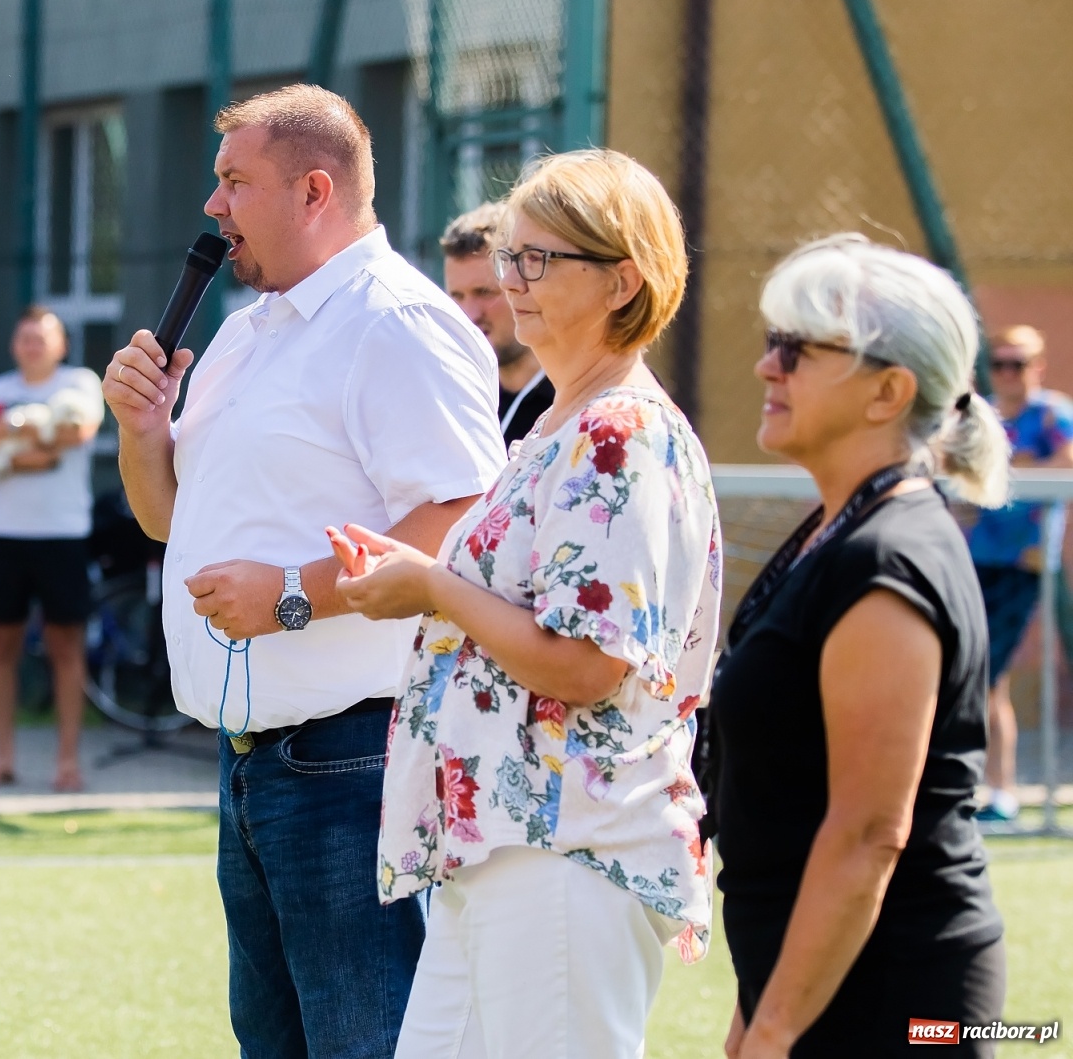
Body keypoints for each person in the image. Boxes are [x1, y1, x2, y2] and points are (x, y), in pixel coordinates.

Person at [103, 84, 506, 1057]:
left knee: (366, 1041)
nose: (213, 207)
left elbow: (462, 517)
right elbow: (168, 518)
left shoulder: (396, 320)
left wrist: (291, 593)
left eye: (233, 181)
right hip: (254, 762)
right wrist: (141, 430)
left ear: (313, 190)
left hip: (354, 757)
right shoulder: (250, 331)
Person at [339, 150, 720, 1059]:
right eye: (511, 255)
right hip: (507, 841)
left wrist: (431, 585)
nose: (511, 281)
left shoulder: (618, 430)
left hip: (568, 844)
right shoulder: (558, 420)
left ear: (623, 279)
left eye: (539, 259)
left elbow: (588, 666)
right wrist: (424, 579)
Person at [707, 235, 1010, 1057]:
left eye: (798, 350)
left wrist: (773, 1028)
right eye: (773, 343)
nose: (769, 367)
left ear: (888, 392)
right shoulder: (838, 528)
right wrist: (758, 1012)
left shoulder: (888, 557)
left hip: (898, 1000)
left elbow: (870, 829)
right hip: (825, 982)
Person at [0, 305, 105, 792]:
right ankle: (2, 760)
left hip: (63, 535)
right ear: (13, 344)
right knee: (0, 648)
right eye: (25, 337)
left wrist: (6, 440)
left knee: (66, 648)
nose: (32, 345)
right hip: (3, 535)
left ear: (61, 345)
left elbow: (76, 433)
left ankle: (67, 763)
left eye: (42, 337)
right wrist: (33, 446)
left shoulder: (79, 384)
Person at [965, 324, 1073, 823]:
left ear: (1038, 366)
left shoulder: (1052, 413)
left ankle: (1001, 790)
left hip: (1022, 567)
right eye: (1001, 363)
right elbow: (959, 467)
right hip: (968, 561)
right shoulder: (980, 414)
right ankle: (979, 787)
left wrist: (1015, 467)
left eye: (1019, 364)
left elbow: (1064, 465)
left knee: (989, 676)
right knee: (970, 677)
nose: (1009, 374)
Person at [441, 202, 554, 445]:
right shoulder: (455, 398)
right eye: (457, 296)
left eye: (485, 292)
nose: (469, 314)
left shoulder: (572, 400)